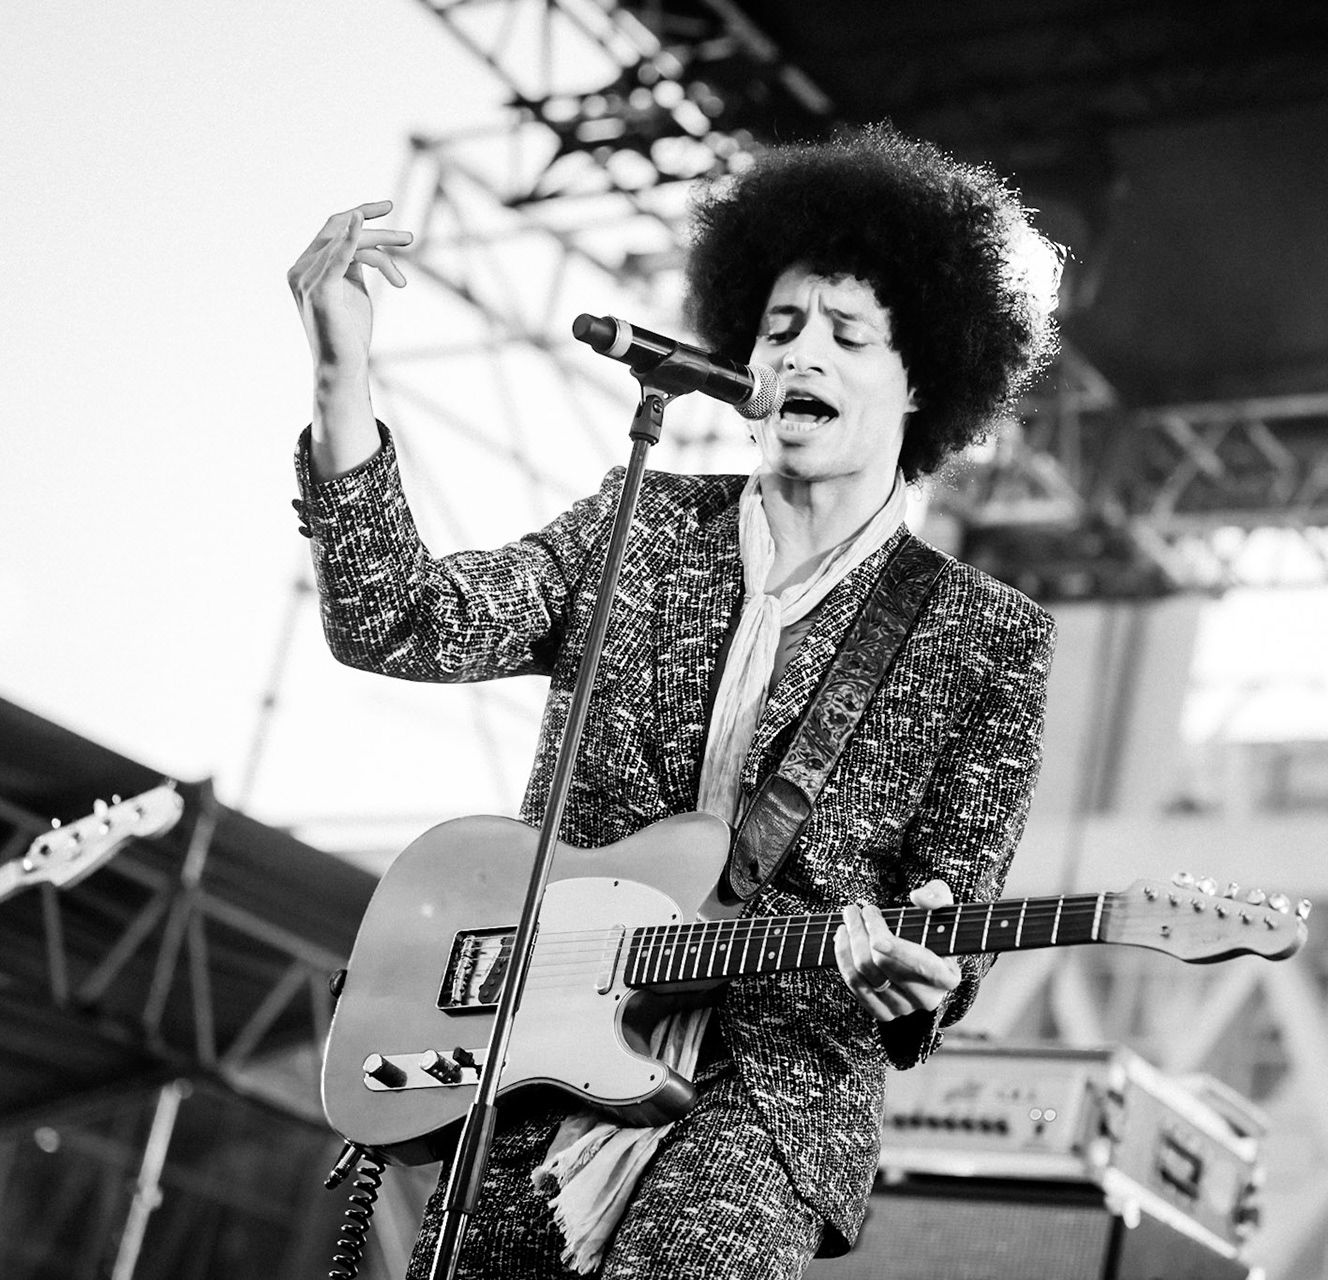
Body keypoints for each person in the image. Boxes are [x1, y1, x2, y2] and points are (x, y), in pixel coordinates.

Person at [286, 125, 1060, 1278]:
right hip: (524, 1056)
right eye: (782, 327)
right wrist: (343, 376)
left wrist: (927, 960)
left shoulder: (987, 638)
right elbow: (400, 618)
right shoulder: (636, 526)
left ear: (923, 381)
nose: (803, 355)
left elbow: (952, 901)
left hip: (763, 1093)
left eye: (849, 336)